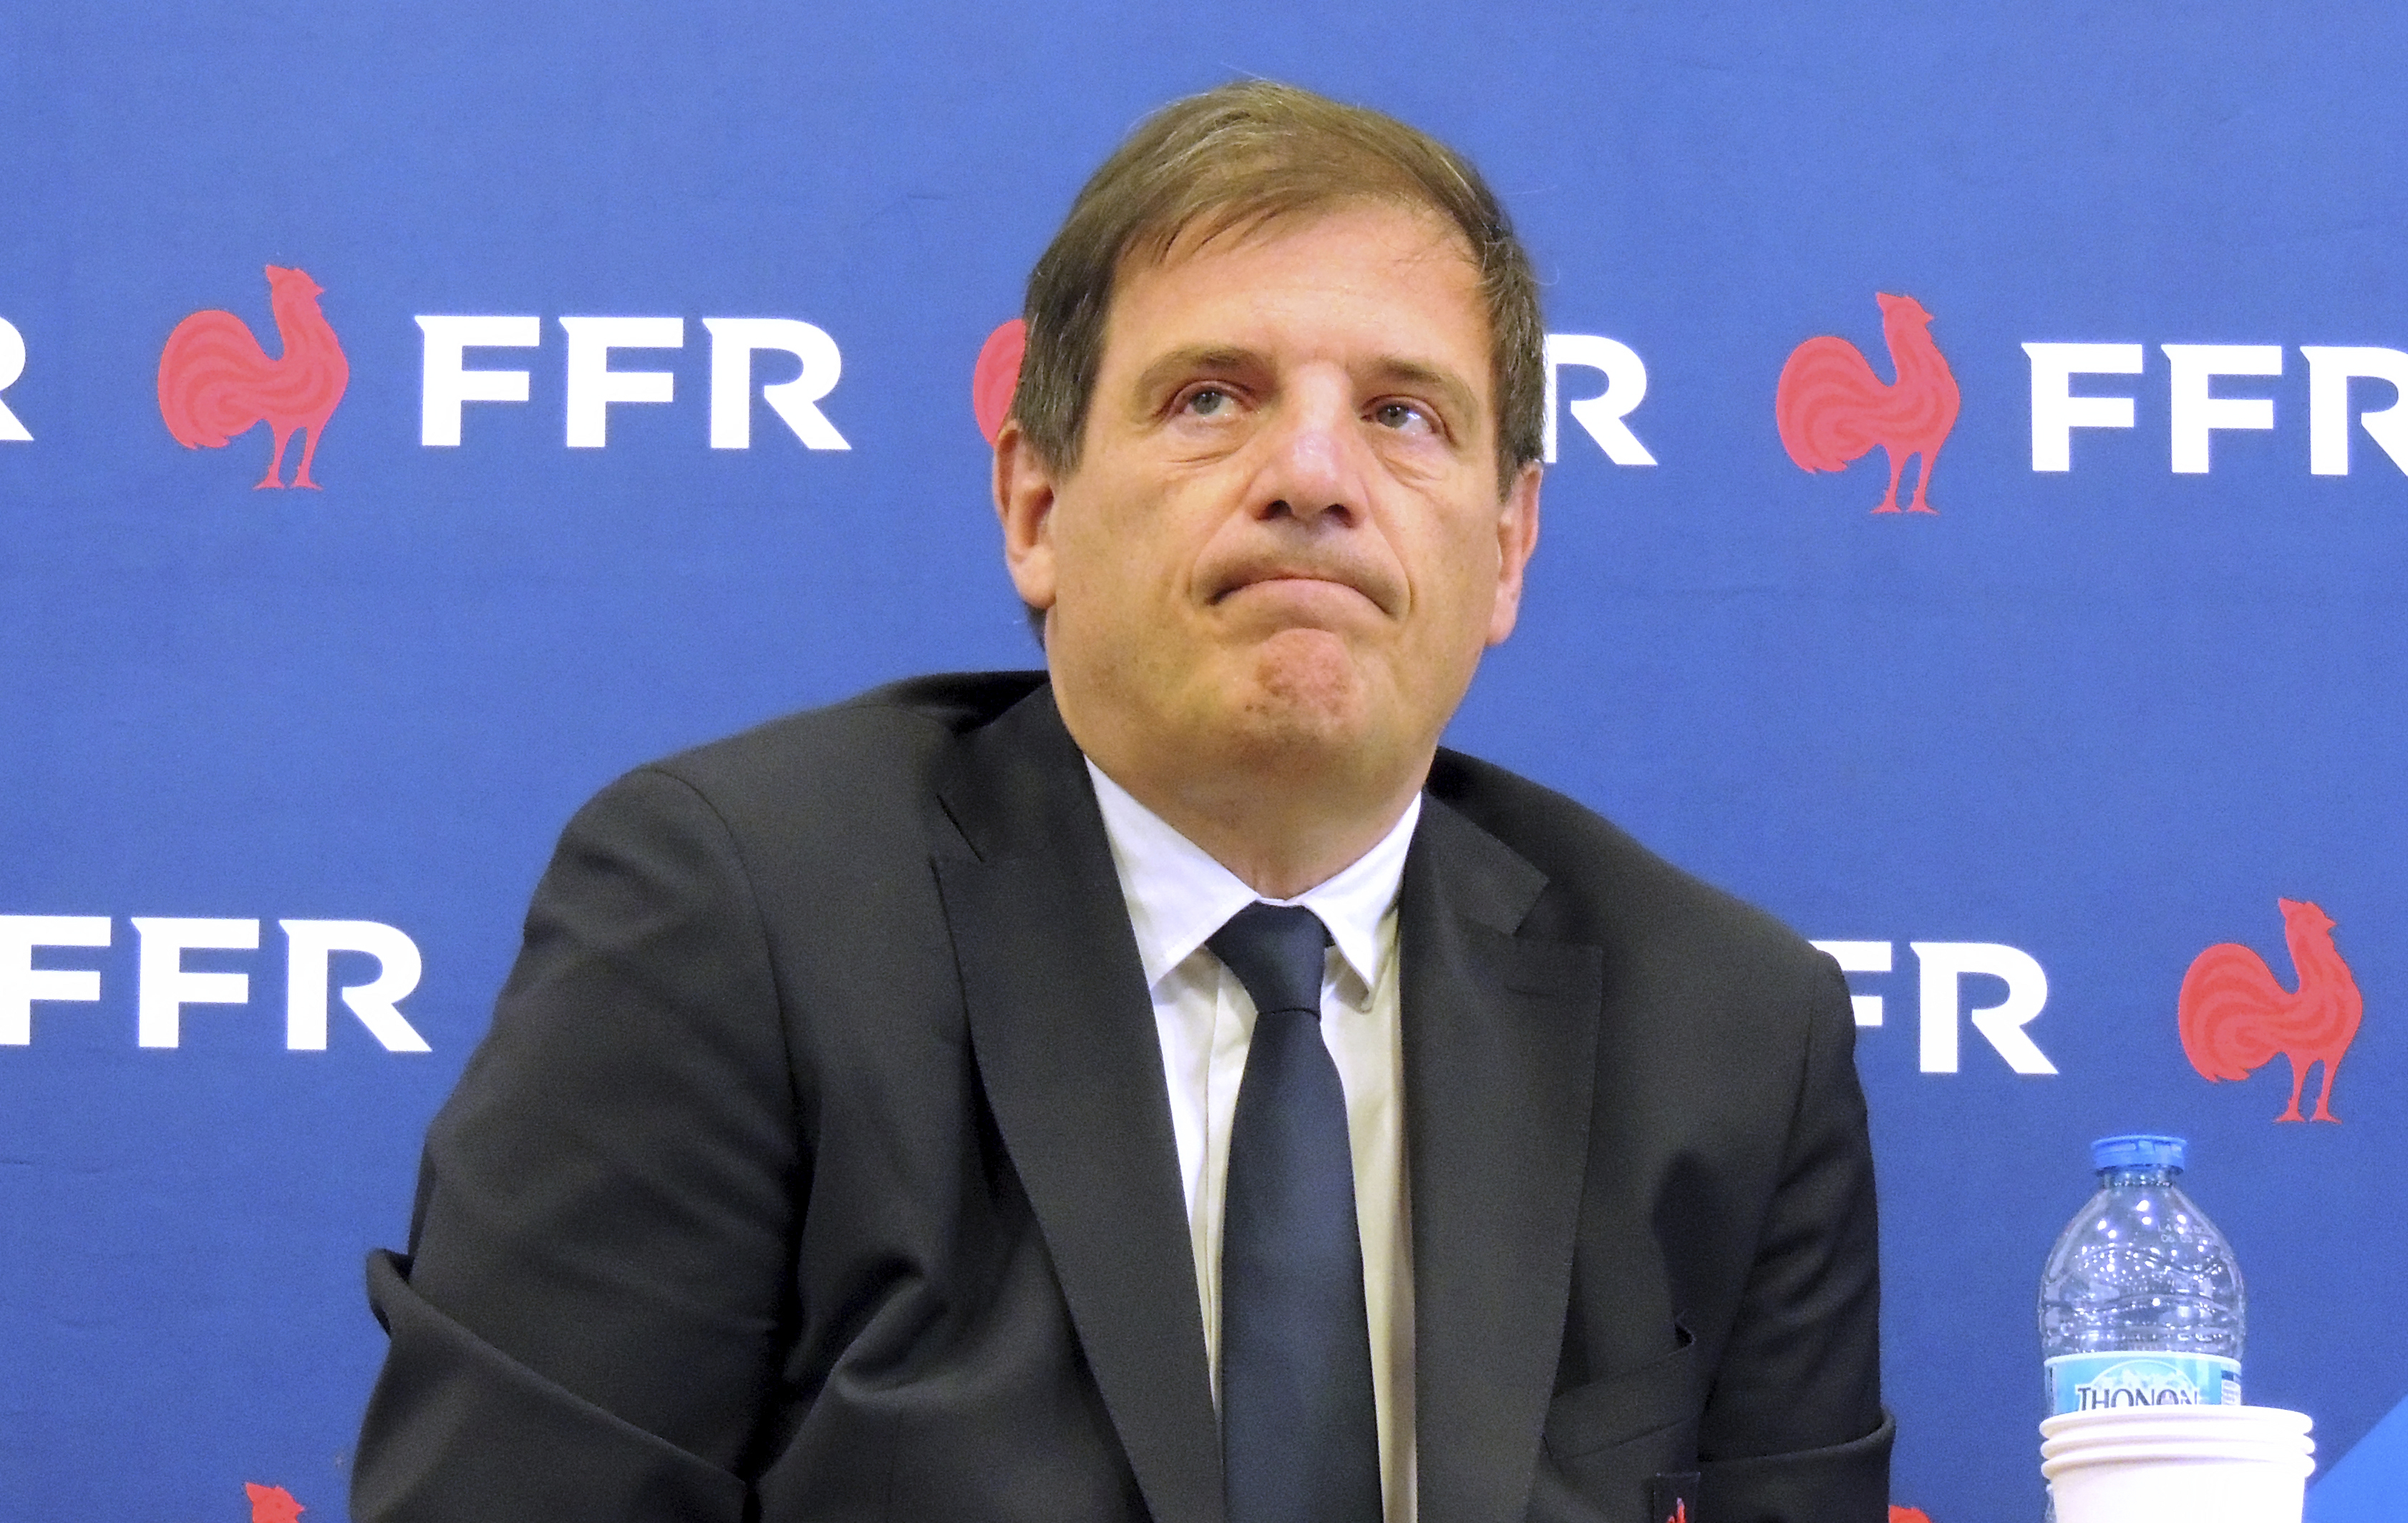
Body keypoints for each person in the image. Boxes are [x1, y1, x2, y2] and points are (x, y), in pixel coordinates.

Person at [353, 81, 1889, 1523]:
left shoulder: (1728, 1037)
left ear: (1505, 548)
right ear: (1032, 505)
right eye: (1211, 397)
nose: (1310, 472)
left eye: (1403, 414)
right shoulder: (736, 924)